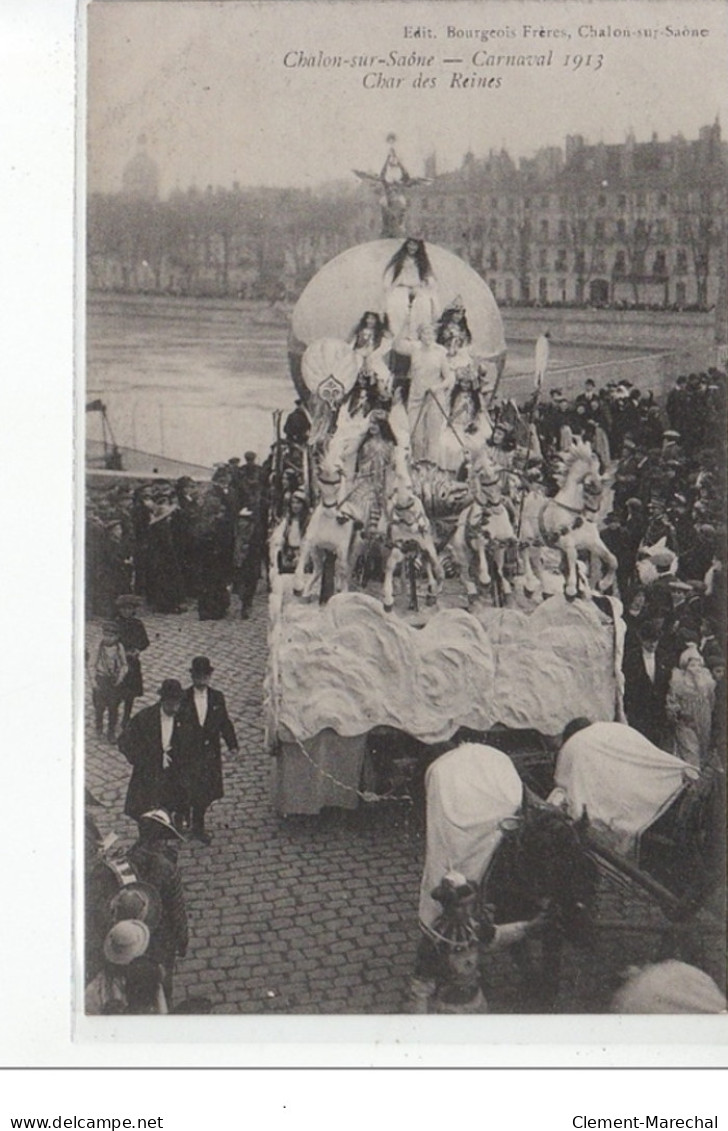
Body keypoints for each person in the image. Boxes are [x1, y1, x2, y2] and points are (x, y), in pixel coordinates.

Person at [127, 808, 189, 1005]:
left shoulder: (128, 858)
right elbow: (176, 909)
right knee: (162, 983)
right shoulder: (167, 868)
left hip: (134, 934)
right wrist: (182, 938)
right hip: (161, 937)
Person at [176, 657, 239, 844]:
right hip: (187, 753)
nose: (201, 679)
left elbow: (224, 722)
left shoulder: (217, 697)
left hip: (209, 753)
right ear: (192, 676)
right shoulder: (184, 697)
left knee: (204, 792)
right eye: (197, 676)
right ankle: (181, 818)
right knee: (186, 788)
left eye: (204, 676)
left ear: (209, 676)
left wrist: (233, 745)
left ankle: (198, 827)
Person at [118, 679, 184, 822]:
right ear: (163, 701)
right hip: (149, 771)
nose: (174, 708)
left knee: (170, 803)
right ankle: (147, 837)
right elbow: (124, 741)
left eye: (177, 703)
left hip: (173, 771)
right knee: (144, 806)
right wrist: (140, 759)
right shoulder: (145, 718)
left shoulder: (183, 717)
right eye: (171, 704)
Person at [393, 322, 450, 462]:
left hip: (434, 397)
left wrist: (437, 387)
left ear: (435, 335)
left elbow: (449, 378)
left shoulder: (440, 352)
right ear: (420, 335)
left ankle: (432, 466)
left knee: (433, 436)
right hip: (416, 397)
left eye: (431, 333)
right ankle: (417, 464)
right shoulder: (414, 349)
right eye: (425, 333)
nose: (428, 336)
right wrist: (406, 321)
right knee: (416, 436)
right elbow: (397, 345)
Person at [665, 644, 716, 768]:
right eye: (692, 665)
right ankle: (690, 781)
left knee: (702, 751)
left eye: (698, 665)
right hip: (686, 722)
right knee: (690, 752)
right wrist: (678, 715)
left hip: (704, 720)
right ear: (685, 666)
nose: (696, 668)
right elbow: (671, 701)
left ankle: (696, 782)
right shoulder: (678, 682)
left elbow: (711, 701)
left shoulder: (707, 682)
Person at [383, 237, 440, 342]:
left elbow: (429, 277)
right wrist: (392, 286)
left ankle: (418, 335)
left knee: (423, 305)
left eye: (415, 245)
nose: (412, 247)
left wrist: (426, 282)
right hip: (401, 287)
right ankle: (397, 335)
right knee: (397, 306)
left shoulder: (423, 261)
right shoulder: (399, 259)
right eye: (410, 244)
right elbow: (390, 275)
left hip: (418, 288)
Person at [114, 594, 150, 728]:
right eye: (124, 609)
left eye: (129, 609)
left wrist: (138, 650)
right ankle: (114, 717)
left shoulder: (137, 624)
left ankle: (126, 718)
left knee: (130, 694)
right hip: (118, 664)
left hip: (133, 664)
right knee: (117, 693)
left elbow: (145, 642)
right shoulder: (116, 624)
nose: (126, 611)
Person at [92, 620, 128, 742]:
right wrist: (94, 682)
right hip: (101, 680)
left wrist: (120, 677)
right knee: (99, 707)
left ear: (117, 637)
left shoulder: (119, 647)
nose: (108, 638)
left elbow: (124, 665)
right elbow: (91, 665)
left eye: (111, 636)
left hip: (114, 682)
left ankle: (111, 732)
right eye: (105, 635)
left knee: (114, 708)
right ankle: (99, 727)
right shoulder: (98, 647)